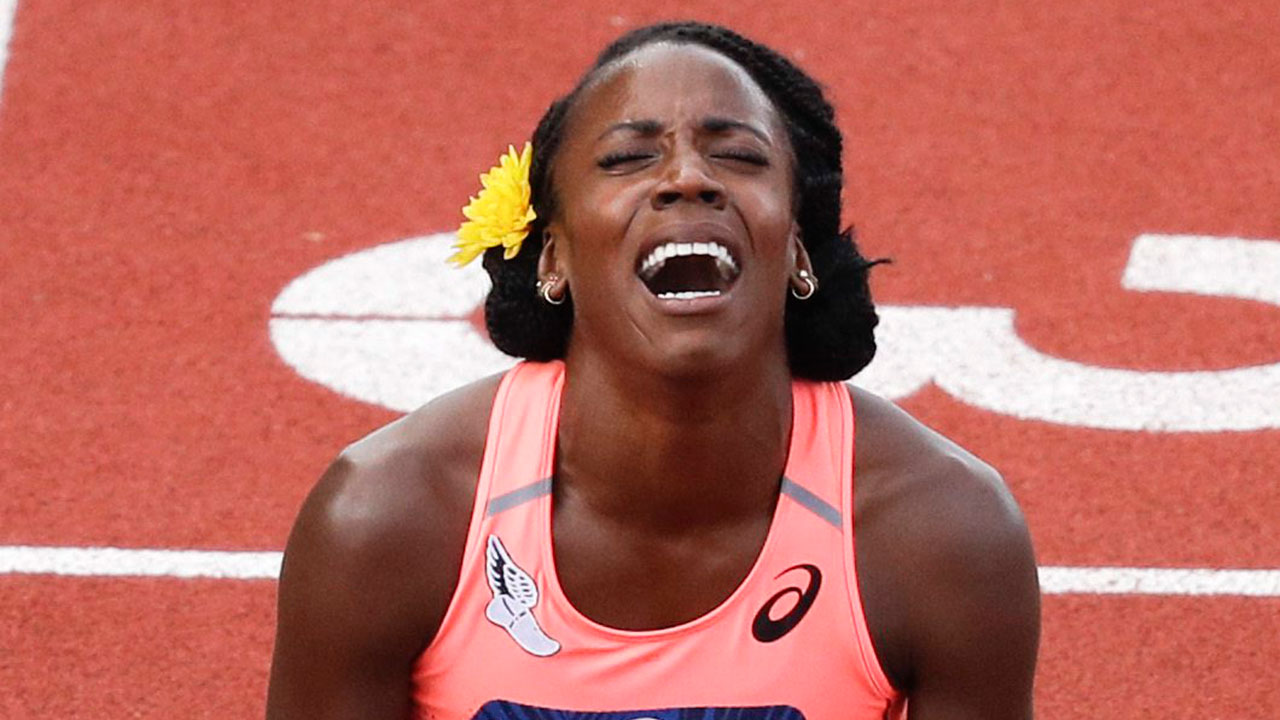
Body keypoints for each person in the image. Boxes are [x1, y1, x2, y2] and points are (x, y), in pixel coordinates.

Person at [266, 21, 1040, 720]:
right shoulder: (389, 518)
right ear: (553, 258)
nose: (688, 178)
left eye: (739, 156)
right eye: (627, 159)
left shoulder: (941, 533)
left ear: (799, 252)